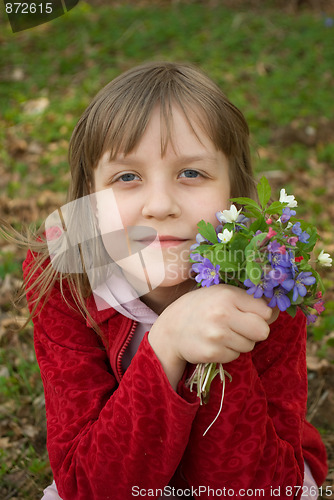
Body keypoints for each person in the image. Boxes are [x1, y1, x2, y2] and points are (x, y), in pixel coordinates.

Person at [20, 61, 327, 500]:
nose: (160, 205)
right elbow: (90, 488)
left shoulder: (271, 278)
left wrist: (221, 340)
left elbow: (259, 487)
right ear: (90, 201)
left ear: (234, 194)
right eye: (127, 177)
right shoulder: (66, 285)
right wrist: (165, 345)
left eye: (191, 173)